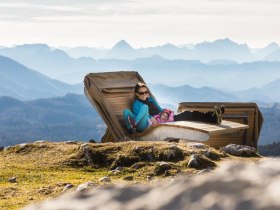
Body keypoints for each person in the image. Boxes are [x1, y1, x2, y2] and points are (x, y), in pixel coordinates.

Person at [123, 82, 225, 134]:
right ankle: (213, 117)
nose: (145, 94)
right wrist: (151, 117)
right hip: (153, 122)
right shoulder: (136, 104)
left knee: (187, 114)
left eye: (146, 92)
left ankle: (212, 116)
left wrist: (165, 112)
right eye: (142, 93)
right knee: (185, 117)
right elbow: (142, 115)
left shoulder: (150, 100)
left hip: (163, 118)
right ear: (137, 94)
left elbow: (159, 108)